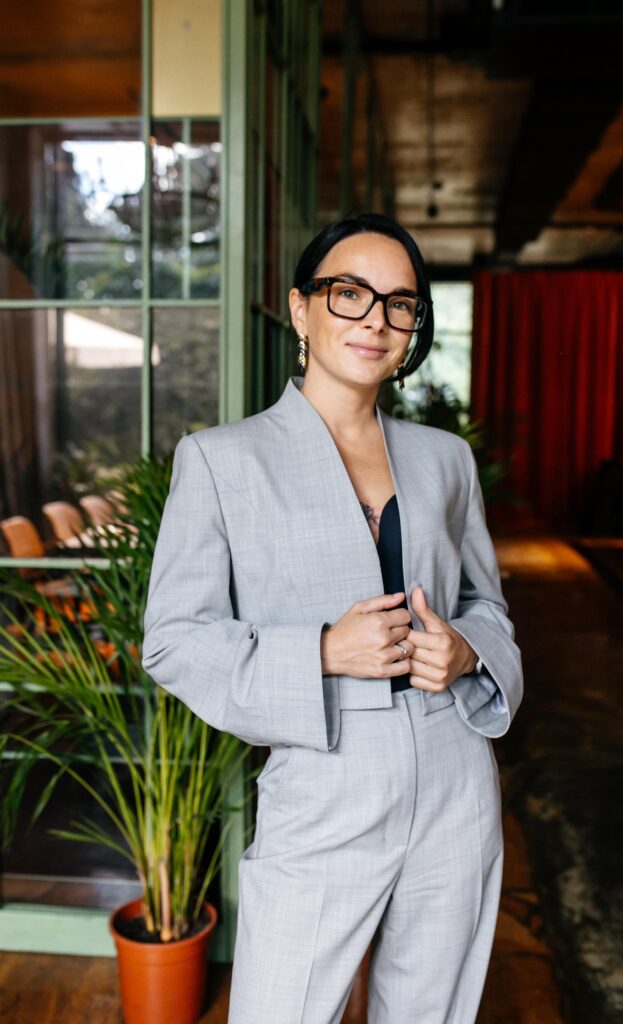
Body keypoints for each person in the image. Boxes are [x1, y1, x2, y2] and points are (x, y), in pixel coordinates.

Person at [141, 213, 523, 1024]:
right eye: (349, 293)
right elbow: (173, 640)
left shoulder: (445, 460)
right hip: (322, 780)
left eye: (399, 303)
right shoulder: (221, 460)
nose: (375, 320)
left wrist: (464, 650)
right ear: (301, 308)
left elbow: (486, 605)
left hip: (455, 778)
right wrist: (319, 650)